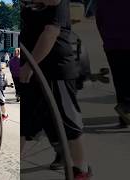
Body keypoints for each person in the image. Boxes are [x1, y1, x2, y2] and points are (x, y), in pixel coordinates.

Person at [20, 0, 92, 179]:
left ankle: (80, 171)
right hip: (30, 68)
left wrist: (29, 66)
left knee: (69, 122)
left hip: (56, 69)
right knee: (27, 122)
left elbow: (51, 32)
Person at [94, 0, 130, 128]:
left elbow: (99, 19)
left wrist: (106, 39)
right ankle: (126, 108)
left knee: (120, 81)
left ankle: (124, 116)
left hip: (113, 44)